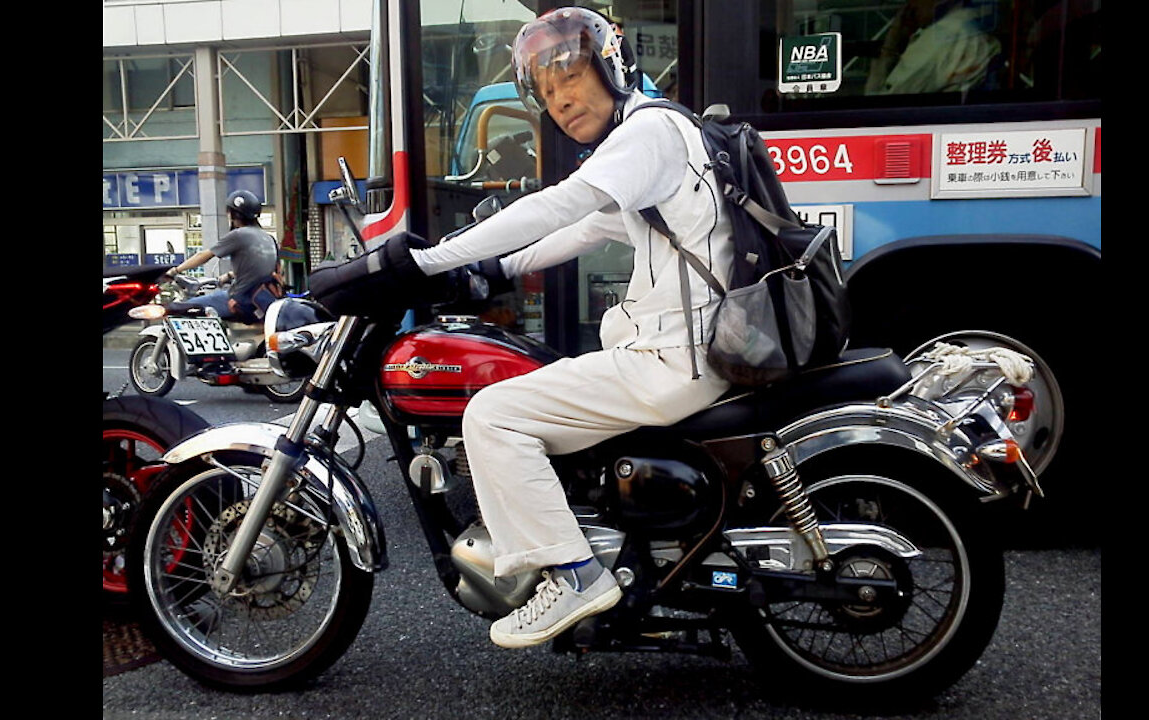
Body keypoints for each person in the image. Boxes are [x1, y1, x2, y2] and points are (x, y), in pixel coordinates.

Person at [371, 6, 735, 648]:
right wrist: (499, 267)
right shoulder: (661, 136)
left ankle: (574, 575)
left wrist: (426, 260)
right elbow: (591, 228)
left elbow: (562, 204)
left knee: (492, 415)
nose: (562, 101)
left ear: (610, 68)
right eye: (547, 92)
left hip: (672, 358)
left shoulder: (648, 131)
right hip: (684, 350)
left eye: (571, 78)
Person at [165, 189, 281, 322]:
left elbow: (204, 255)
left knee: (183, 308)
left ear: (234, 214)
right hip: (263, 299)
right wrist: (229, 276)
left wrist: (174, 271)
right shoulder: (269, 238)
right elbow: (258, 268)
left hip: (241, 299)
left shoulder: (239, 235)